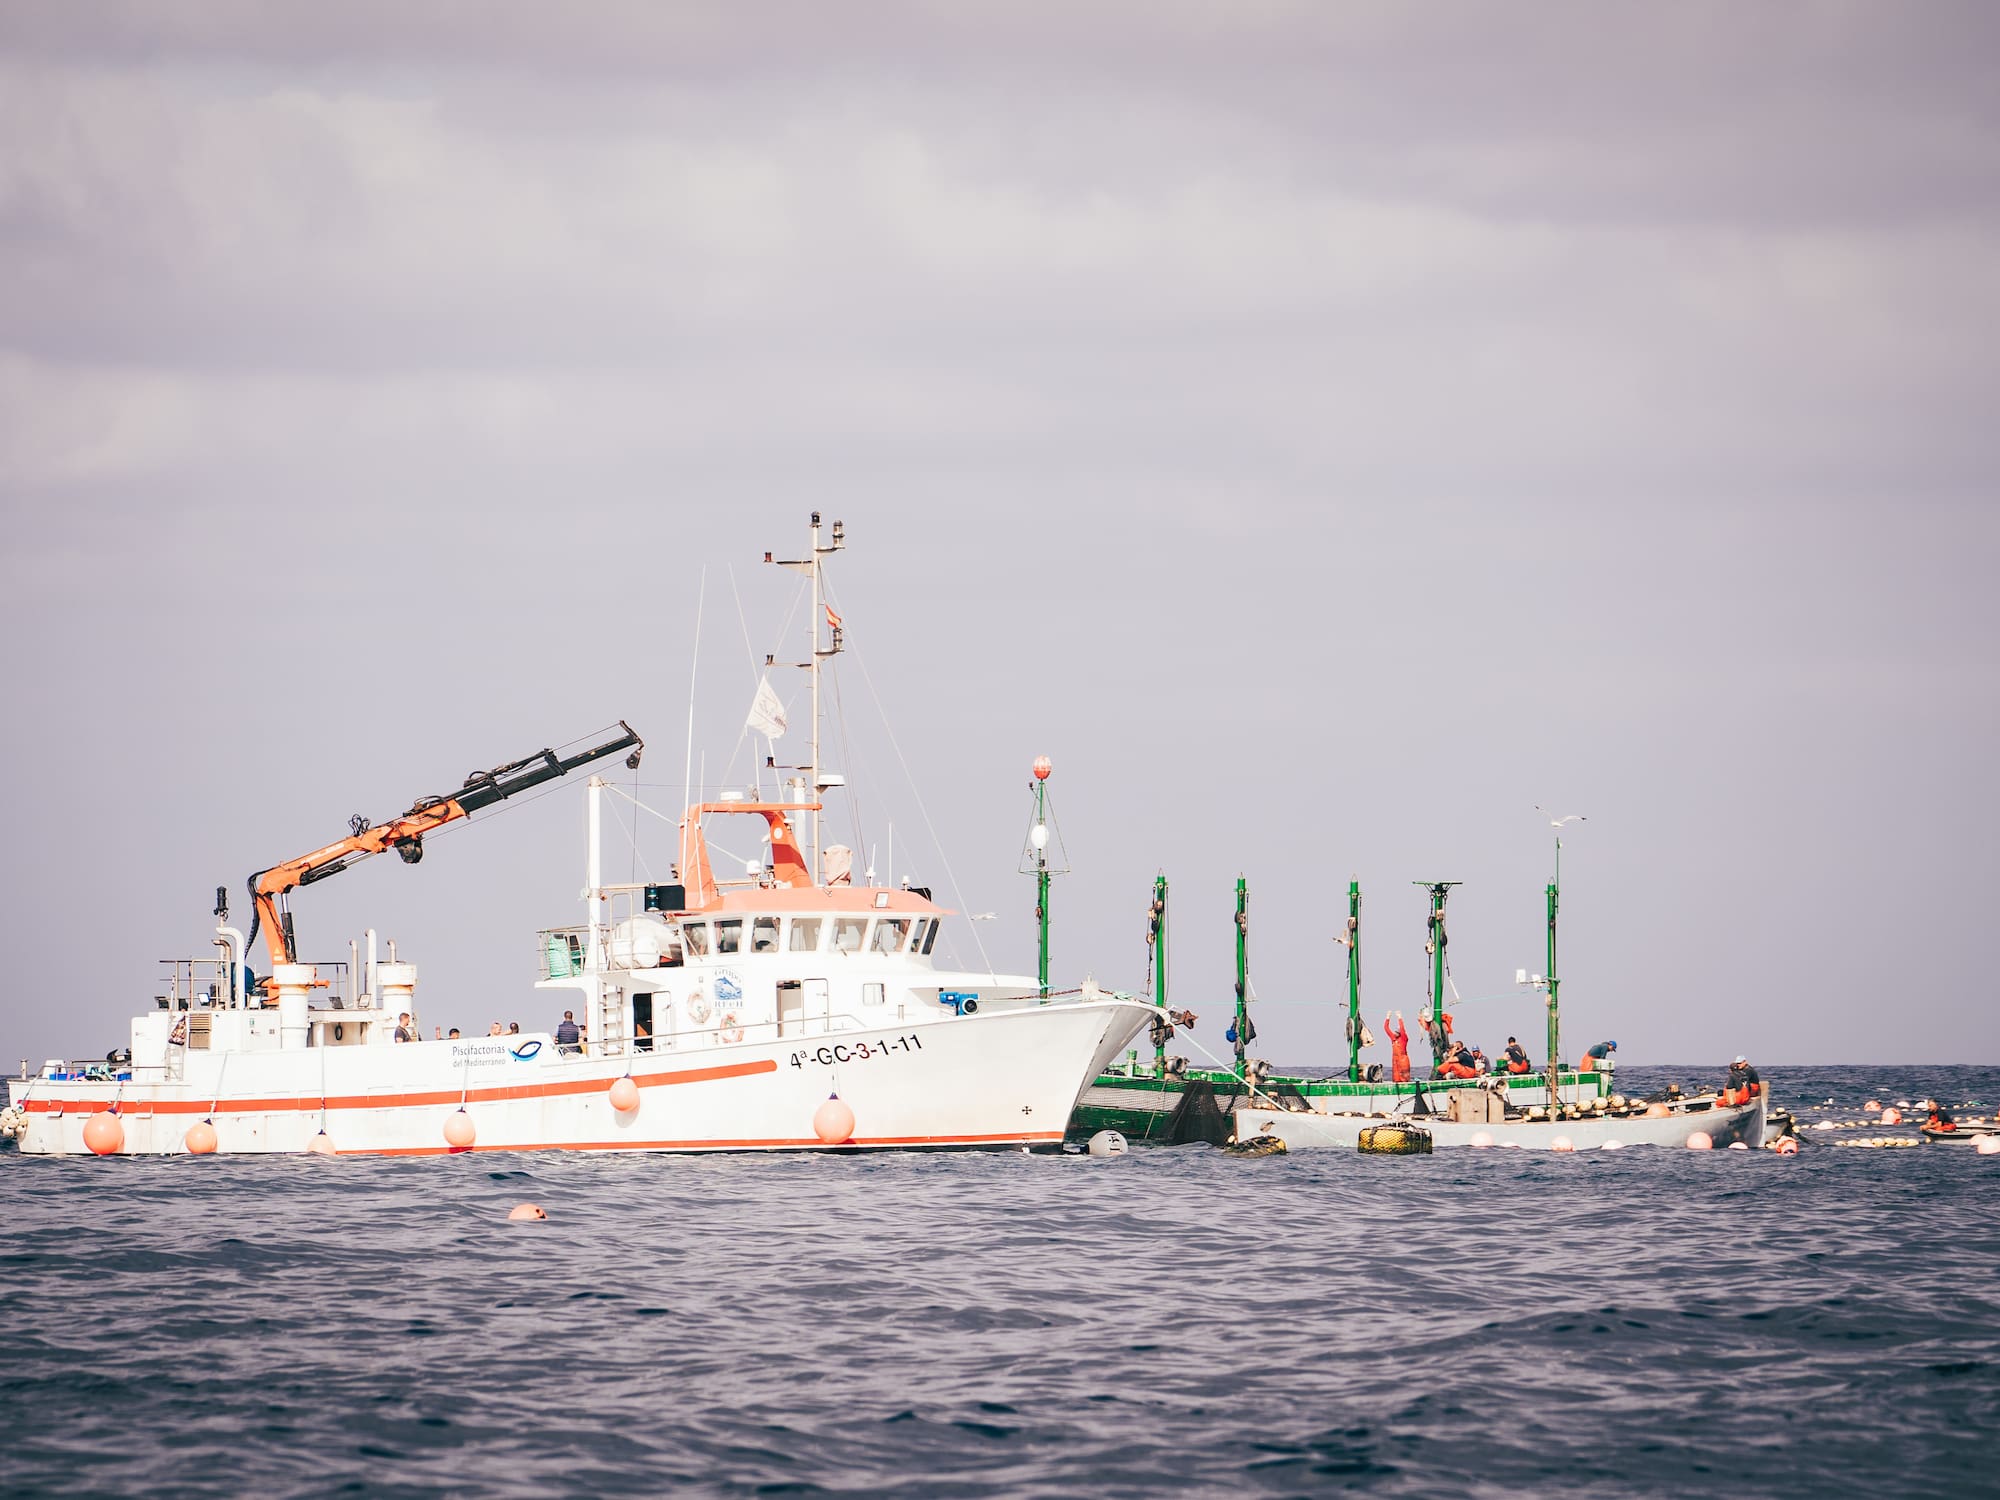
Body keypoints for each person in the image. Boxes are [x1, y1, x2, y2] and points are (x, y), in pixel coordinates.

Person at [1383, 1011, 1411, 1084]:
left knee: (1404, 1079)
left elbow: (1402, 1029)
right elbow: (1386, 1028)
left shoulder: (1404, 1039)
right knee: (1396, 1079)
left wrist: (1399, 1017)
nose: (1394, 1033)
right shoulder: (1393, 1038)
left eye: (1396, 1032)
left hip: (1403, 1060)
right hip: (1395, 1061)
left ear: (1399, 1033)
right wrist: (1388, 1017)